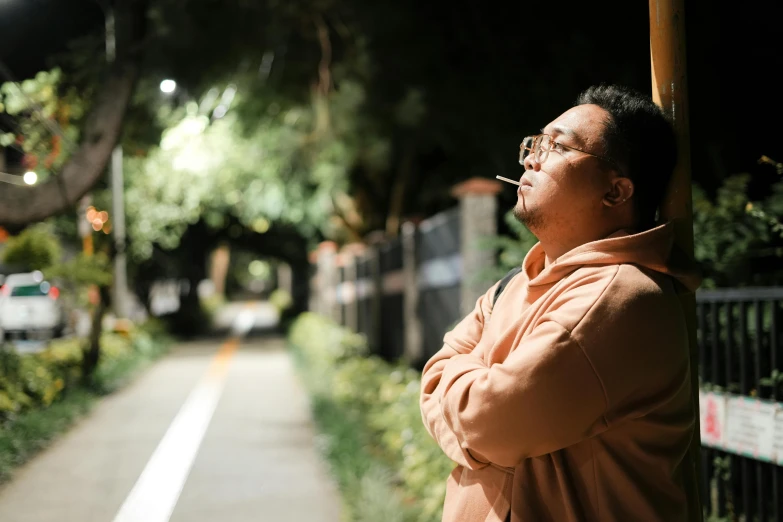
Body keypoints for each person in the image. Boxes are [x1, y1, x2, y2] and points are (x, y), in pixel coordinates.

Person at [419, 84, 701, 522]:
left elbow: (484, 422)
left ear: (616, 192)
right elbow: (434, 378)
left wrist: (471, 418)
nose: (532, 158)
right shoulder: (515, 284)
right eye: (535, 143)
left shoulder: (618, 298)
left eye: (557, 146)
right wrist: (478, 412)